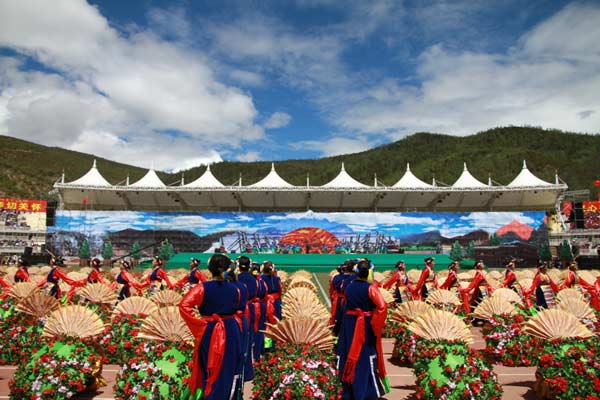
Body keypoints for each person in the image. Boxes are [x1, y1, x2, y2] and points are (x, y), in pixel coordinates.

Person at [179, 253, 244, 400]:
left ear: (210, 269)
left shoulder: (202, 288)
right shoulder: (236, 289)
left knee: (209, 365)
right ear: (227, 269)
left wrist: (199, 325)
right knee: (227, 366)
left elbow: (184, 305)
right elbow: (239, 308)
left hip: (209, 331)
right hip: (230, 330)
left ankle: (210, 395)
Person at [337, 259, 388, 399]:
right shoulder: (371, 288)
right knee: (364, 354)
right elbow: (382, 306)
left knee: (349, 354)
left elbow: (345, 306)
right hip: (365, 325)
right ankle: (365, 391)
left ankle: (348, 389)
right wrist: (375, 323)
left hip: (350, 325)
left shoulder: (349, 287)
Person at [236, 256, 258, 378]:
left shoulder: (236, 278)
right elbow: (254, 293)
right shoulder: (253, 279)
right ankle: (248, 372)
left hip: (238, 312)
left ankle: (239, 370)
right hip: (249, 309)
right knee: (249, 339)